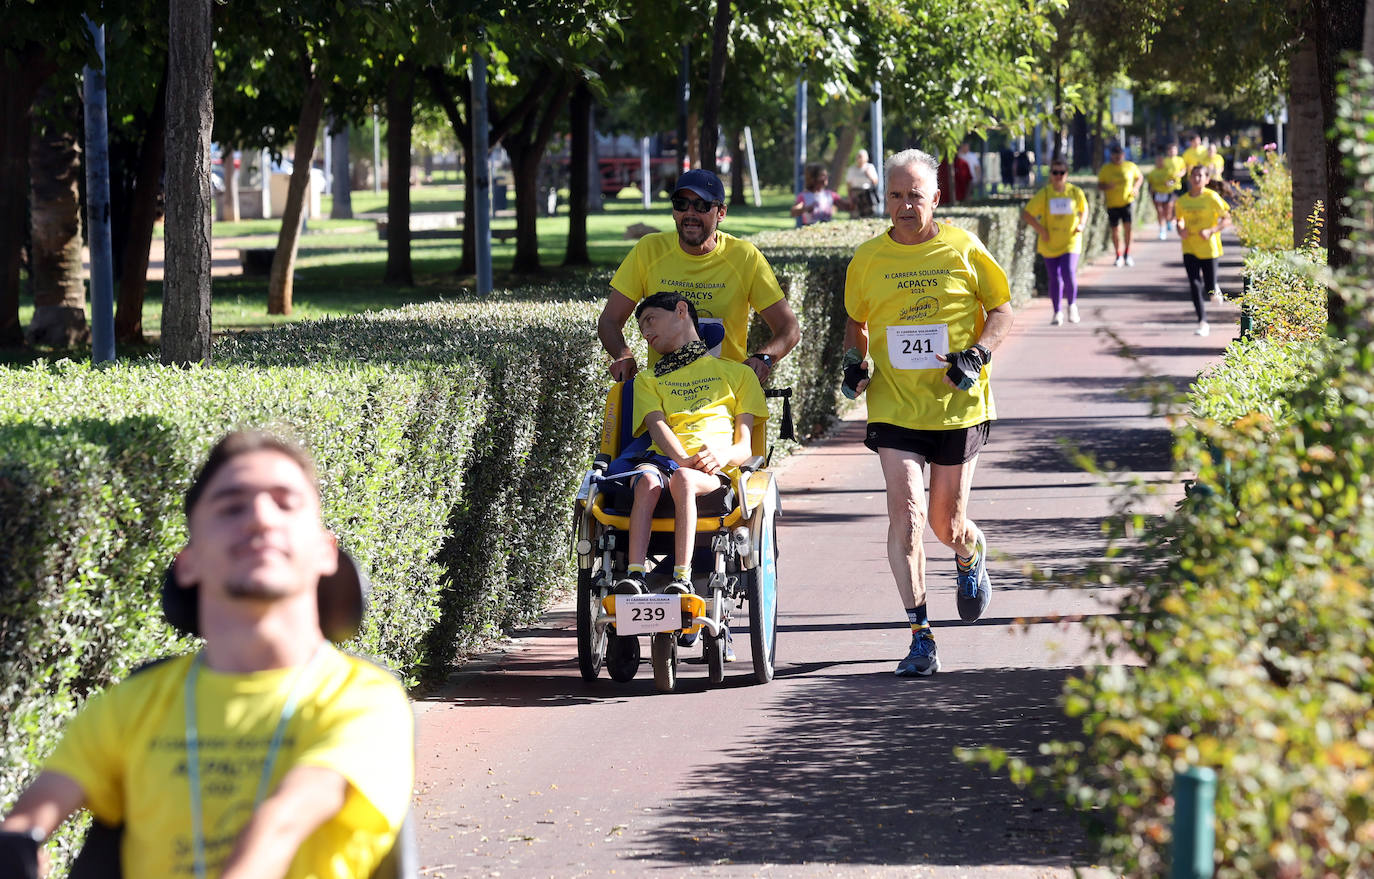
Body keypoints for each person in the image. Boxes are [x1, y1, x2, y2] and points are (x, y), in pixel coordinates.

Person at [0, 431, 414, 878]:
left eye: (285, 502)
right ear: (189, 561)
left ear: (325, 552)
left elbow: (281, 824)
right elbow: (25, 826)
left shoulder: (366, 698)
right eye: (232, 506)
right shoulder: (133, 703)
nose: (259, 518)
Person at [840, 148, 1014, 677]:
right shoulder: (868, 259)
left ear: (936, 198)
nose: (904, 205)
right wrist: (855, 361)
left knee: (945, 523)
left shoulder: (963, 248)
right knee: (908, 515)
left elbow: (1002, 310)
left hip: (957, 405)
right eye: (895, 195)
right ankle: (920, 634)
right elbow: (856, 323)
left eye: (915, 195)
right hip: (894, 406)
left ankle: (970, 550)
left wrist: (977, 354)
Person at [612, 291, 767, 597]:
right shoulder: (648, 379)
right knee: (645, 479)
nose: (646, 332)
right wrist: (682, 457)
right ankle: (634, 575)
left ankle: (681, 579)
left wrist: (720, 456)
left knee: (683, 478)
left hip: (712, 474)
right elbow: (656, 426)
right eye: (641, 327)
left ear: (681, 311)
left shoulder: (738, 375)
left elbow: (745, 448)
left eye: (650, 319)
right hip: (664, 463)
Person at [600, 169, 800, 387]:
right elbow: (609, 320)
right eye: (681, 203)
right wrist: (623, 355)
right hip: (664, 397)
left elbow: (788, 328)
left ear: (721, 212)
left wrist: (764, 358)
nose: (690, 213)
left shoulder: (744, 257)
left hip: (726, 397)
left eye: (702, 204)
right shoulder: (648, 251)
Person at [1021, 158, 1088, 326]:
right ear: (1050, 175)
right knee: (1054, 278)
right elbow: (1027, 214)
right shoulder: (1044, 194)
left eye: (1062, 172)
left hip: (1071, 241)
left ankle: (1072, 305)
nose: (1058, 176)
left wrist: (1081, 224)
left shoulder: (1075, 192)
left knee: (1068, 272)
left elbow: (1084, 209)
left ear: (1067, 174)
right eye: (1055, 172)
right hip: (1049, 242)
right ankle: (1057, 312)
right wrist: (1041, 230)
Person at [1175, 164, 1232, 337]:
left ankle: (1214, 287)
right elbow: (1179, 221)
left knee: (1209, 288)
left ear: (1207, 180)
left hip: (1209, 248)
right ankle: (1202, 321)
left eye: (1201, 176)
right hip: (1189, 247)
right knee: (1194, 284)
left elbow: (1227, 218)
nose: (1197, 179)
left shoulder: (1212, 197)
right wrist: (1180, 229)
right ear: (1190, 178)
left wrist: (1211, 230)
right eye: (1194, 175)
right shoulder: (1182, 201)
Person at [1097, 144, 1144, 267]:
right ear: (1111, 156)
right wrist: (1107, 187)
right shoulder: (1106, 169)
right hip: (1112, 204)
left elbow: (1140, 177)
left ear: (1123, 155)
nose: (1117, 157)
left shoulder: (1130, 166)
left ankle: (1127, 254)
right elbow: (1099, 185)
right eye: (1115, 155)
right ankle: (1118, 255)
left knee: (1128, 229)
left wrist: (1136, 188)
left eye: (1120, 155)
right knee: (1115, 230)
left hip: (1127, 202)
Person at [1145, 152, 1181, 240]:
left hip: (1167, 193)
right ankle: (1162, 230)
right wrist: (1150, 192)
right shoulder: (1153, 172)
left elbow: (1175, 180)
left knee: (1167, 212)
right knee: (1159, 211)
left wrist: (1169, 183)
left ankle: (1169, 221)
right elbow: (1150, 184)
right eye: (1157, 161)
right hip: (1157, 194)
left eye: (1161, 160)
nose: (1159, 162)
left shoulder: (1168, 170)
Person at [845, 149, 881, 218]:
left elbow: (875, 181)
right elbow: (848, 184)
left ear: (866, 158)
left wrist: (869, 175)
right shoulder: (852, 169)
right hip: (855, 192)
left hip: (867, 193)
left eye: (861, 156)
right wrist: (849, 197)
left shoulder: (870, 167)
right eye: (858, 156)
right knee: (855, 214)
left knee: (868, 214)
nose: (859, 158)